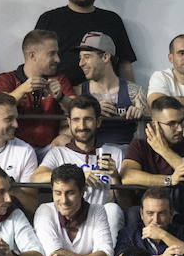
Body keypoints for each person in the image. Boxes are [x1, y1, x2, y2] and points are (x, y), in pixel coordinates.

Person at [32, 95, 125, 241]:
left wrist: (115, 178)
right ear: (69, 123)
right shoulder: (59, 153)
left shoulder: (114, 153)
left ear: (98, 121)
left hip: (100, 224)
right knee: (44, 210)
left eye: (87, 119)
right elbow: (35, 178)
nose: (82, 126)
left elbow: (126, 205)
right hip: (67, 219)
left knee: (113, 210)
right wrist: (78, 176)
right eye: (76, 120)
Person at [35, 0, 137, 86]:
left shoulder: (112, 20)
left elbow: (124, 65)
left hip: (106, 97)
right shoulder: (48, 19)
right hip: (60, 97)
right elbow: (36, 62)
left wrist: (131, 98)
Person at [32, 164, 113, 256]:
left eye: (70, 193)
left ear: (82, 191)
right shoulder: (44, 210)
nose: (64, 200)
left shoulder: (97, 210)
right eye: (58, 193)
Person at [120, 95, 184, 205]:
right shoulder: (140, 145)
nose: (180, 128)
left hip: (182, 211)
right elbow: (127, 177)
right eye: (172, 124)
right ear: (155, 124)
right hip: (148, 211)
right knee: (133, 214)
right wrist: (169, 180)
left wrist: (164, 150)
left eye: (182, 121)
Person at [0, 29, 72, 153]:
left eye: (57, 53)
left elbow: (78, 110)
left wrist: (61, 97)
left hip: (50, 149)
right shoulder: (6, 79)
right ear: (32, 55)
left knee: (65, 140)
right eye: (52, 53)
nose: (58, 59)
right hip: (15, 149)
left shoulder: (59, 79)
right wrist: (22, 90)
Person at [76, 31, 146, 149]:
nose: (81, 63)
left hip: (126, 158)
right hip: (89, 155)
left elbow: (150, 135)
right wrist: (92, 112)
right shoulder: (78, 91)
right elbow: (65, 131)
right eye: (80, 58)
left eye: (87, 57)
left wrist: (141, 118)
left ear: (105, 57)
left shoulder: (135, 92)